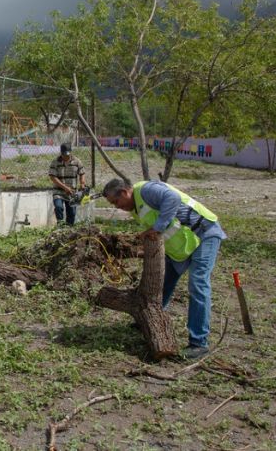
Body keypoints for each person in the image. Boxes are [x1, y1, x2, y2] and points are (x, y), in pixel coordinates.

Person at [101, 178, 227, 360]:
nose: (116, 207)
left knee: (198, 284)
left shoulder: (146, 190)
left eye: (116, 202)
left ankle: (199, 343)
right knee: (162, 283)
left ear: (124, 193)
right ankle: (149, 318)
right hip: (182, 246)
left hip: (203, 233)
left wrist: (157, 228)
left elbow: (173, 198)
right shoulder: (136, 207)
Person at [49, 143, 86, 226]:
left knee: (72, 213)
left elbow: (82, 173)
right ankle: (60, 226)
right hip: (58, 191)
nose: (66, 157)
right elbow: (53, 177)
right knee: (58, 207)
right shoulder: (55, 162)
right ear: (61, 153)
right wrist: (65, 188)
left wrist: (82, 184)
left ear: (71, 152)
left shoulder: (77, 161)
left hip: (72, 192)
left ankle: (69, 230)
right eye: (64, 155)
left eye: (68, 155)